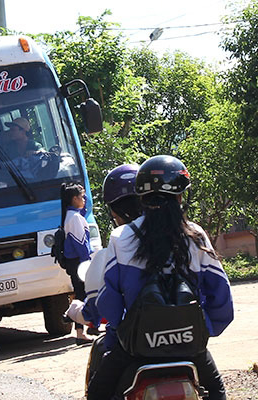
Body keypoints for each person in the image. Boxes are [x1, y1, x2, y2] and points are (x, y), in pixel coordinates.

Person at [87, 155, 234, 400]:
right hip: (189, 344)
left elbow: (108, 302)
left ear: (141, 196)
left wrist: (122, 331)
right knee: (217, 392)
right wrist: (205, 330)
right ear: (180, 196)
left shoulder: (121, 237)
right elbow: (221, 295)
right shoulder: (195, 235)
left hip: (136, 347)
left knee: (98, 392)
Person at [66, 164, 142, 328]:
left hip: (138, 335)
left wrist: (75, 311)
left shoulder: (119, 239)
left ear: (114, 210)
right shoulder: (190, 233)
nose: (84, 199)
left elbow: (99, 307)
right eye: (81, 196)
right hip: (191, 334)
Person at [60, 182, 94, 344]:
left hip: (75, 262)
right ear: (74, 199)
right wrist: (87, 263)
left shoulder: (72, 215)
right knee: (85, 294)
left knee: (82, 294)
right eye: (82, 196)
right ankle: (74, 319)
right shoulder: (74, 218)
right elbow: (81, 244)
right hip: (79, 262)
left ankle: (83, 329)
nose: (84, 199)